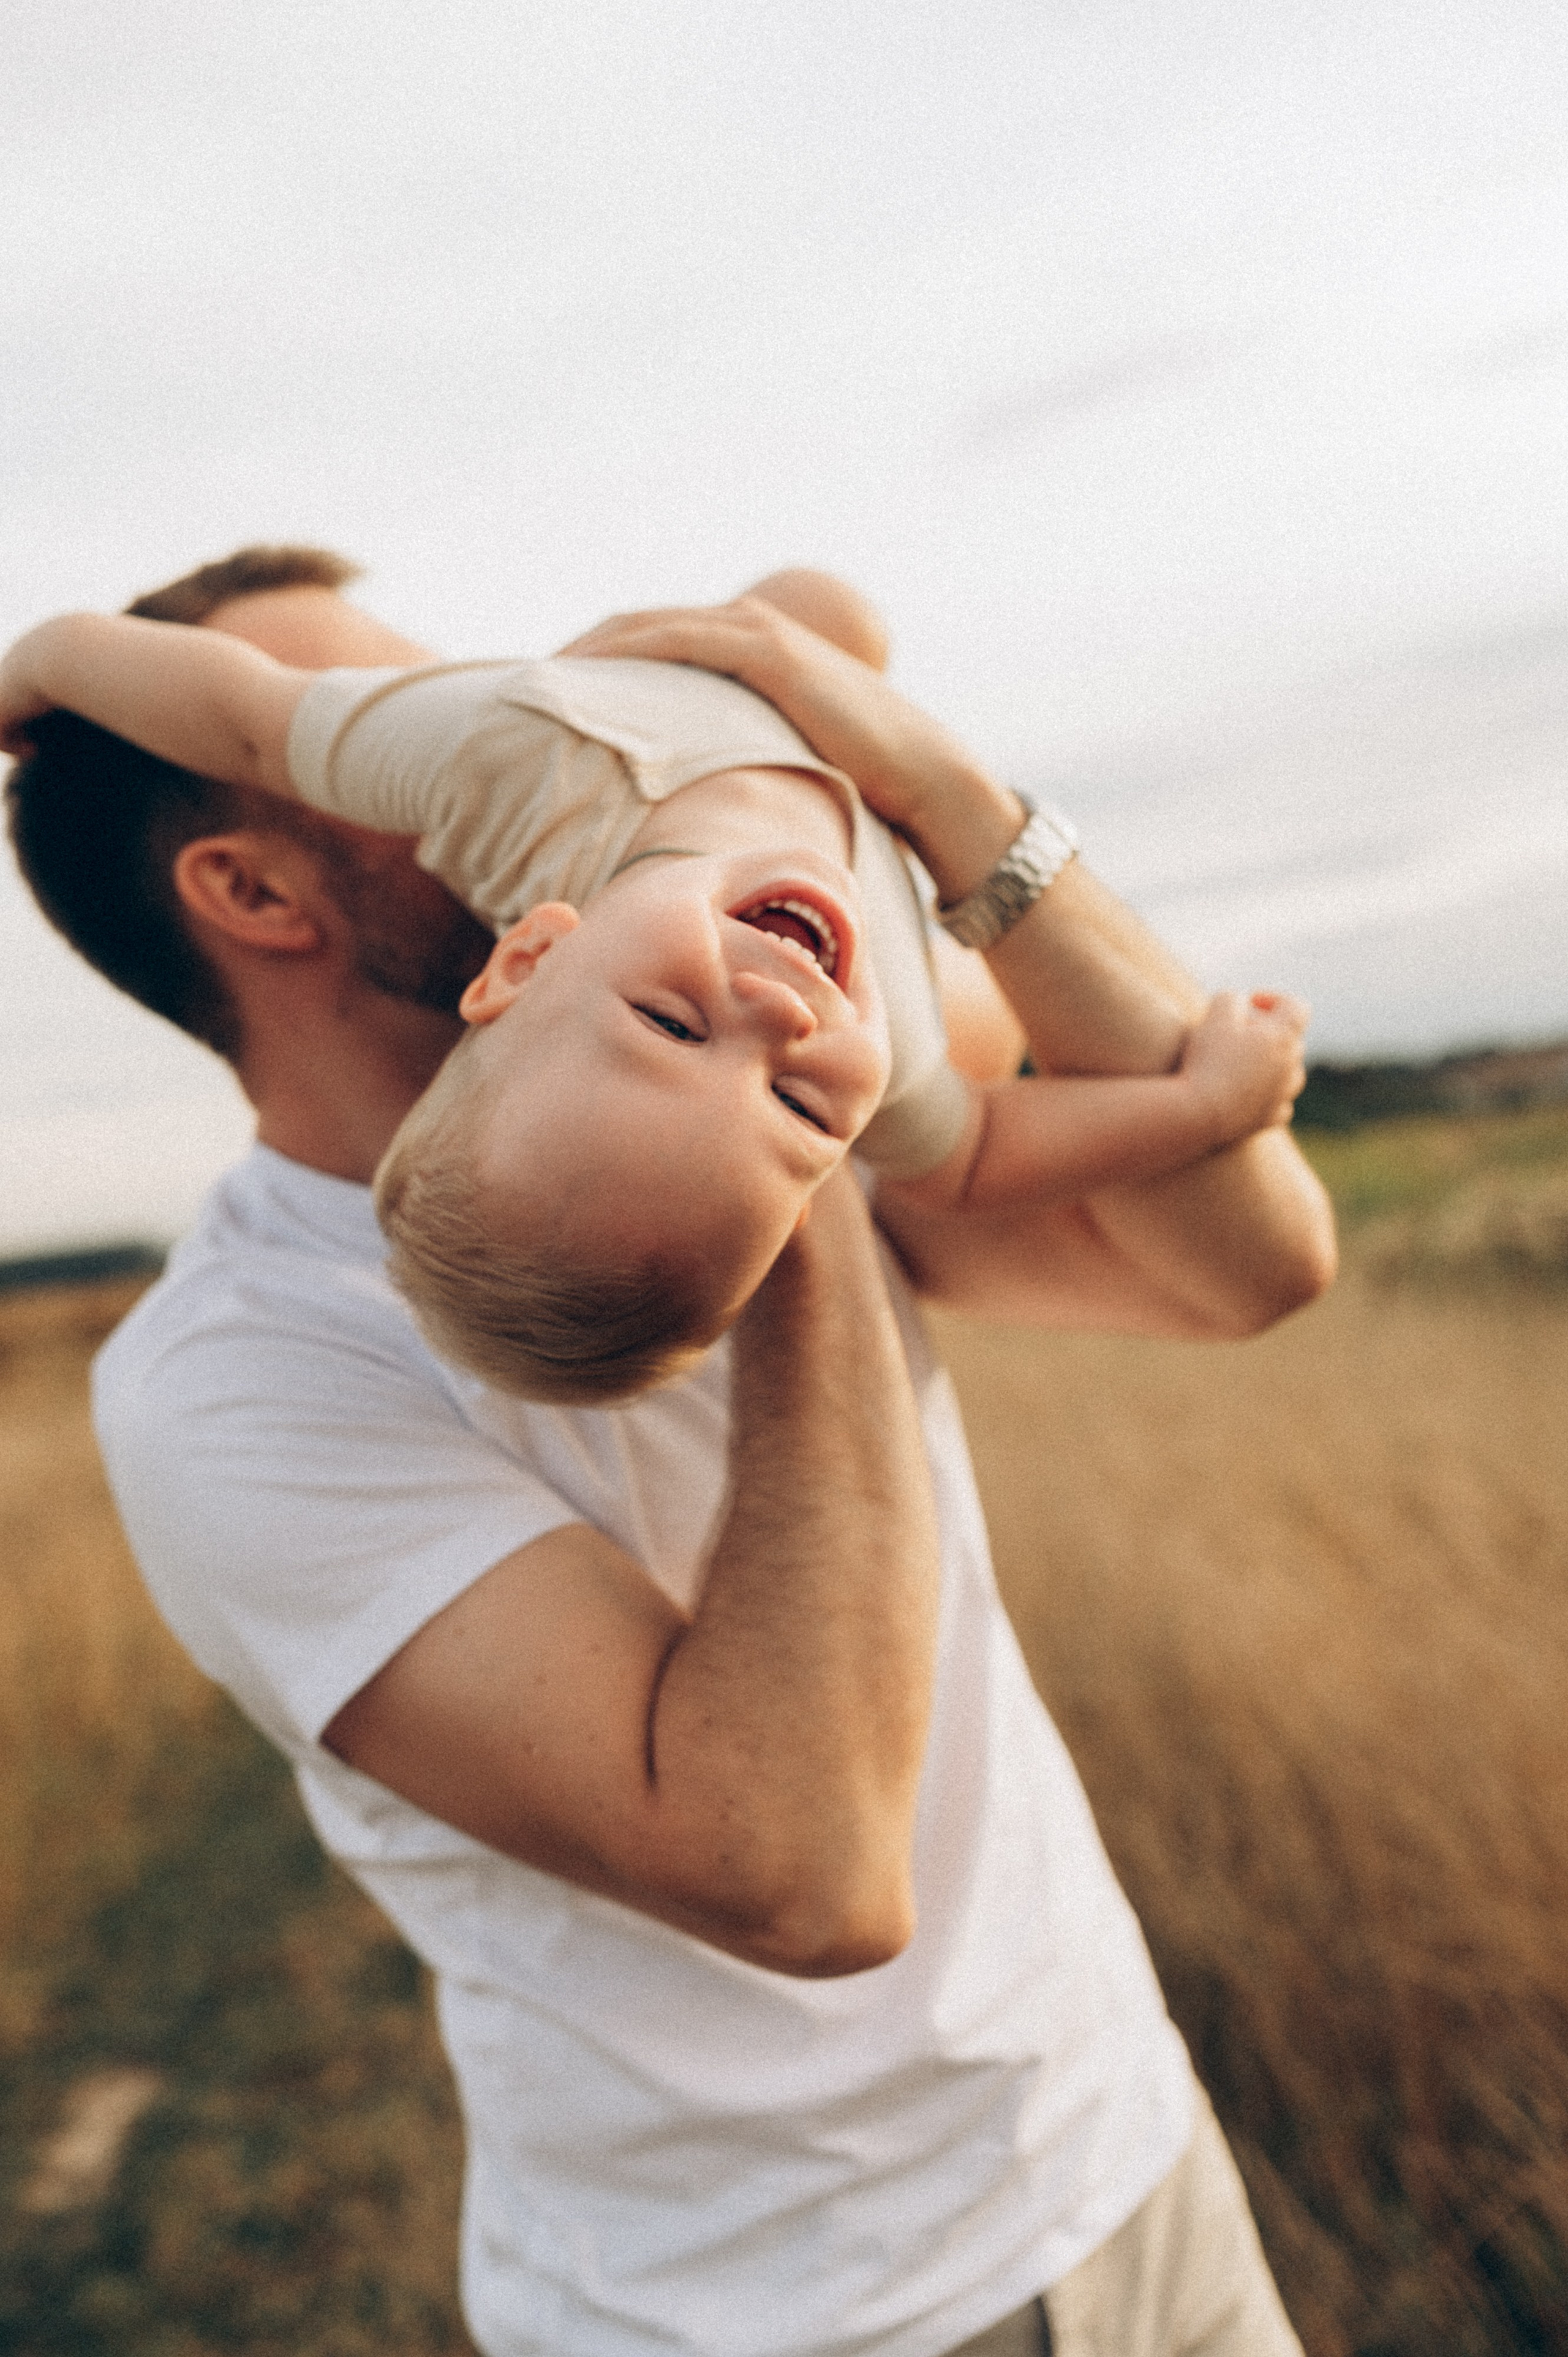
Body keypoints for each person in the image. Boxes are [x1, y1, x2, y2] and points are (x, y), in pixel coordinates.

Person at [5, 548, 1334, 2356]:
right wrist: (779, 1147)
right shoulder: (232, 1376)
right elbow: (801, 1868)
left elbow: (1252, 1264)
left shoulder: (782, 1009)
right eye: (377, 711)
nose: (499, 707)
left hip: (1128, 2149)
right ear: (255, 886)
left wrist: (953, 803)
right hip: (789, 2309)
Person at [0, 595, 1310, 1401]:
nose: (782, 1022)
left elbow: (242, 715)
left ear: (527, 961)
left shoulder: (510, 756)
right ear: (251, 891)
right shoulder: (811, 1107)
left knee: (814, 606)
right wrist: (1198, 1102)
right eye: (800, 1106)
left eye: (670, 1025)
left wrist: (54, 654)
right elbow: (981, 1156)